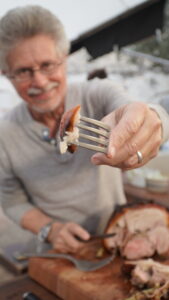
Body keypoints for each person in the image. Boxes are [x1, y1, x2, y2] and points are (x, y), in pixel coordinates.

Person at [0, 5, 168, 254]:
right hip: (59, 253)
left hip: (120, 235)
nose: (40, 82)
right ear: (7, 74)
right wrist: (50, 229)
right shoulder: (5, 134)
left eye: (48, 65)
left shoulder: (96, 96)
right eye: (23, 71)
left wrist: (152, 119)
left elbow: (134, 108)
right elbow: (11, 200)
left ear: (64, 60)